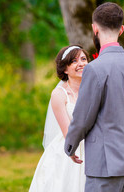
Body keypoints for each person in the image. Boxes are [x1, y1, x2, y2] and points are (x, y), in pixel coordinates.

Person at [64, 2, 124, 192]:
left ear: (95, 29)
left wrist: (70, 146)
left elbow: (83, 117)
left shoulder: (94, 69)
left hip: (103, 165)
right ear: (122, 30)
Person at [29, 45, 89, 192]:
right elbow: (68, 132)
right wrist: (73, 150)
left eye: (83, 59)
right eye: (74, 61)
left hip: (92, 144)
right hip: (69, 147)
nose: (81, 63)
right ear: (65, 69)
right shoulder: (59, 94)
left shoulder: (92, 89)